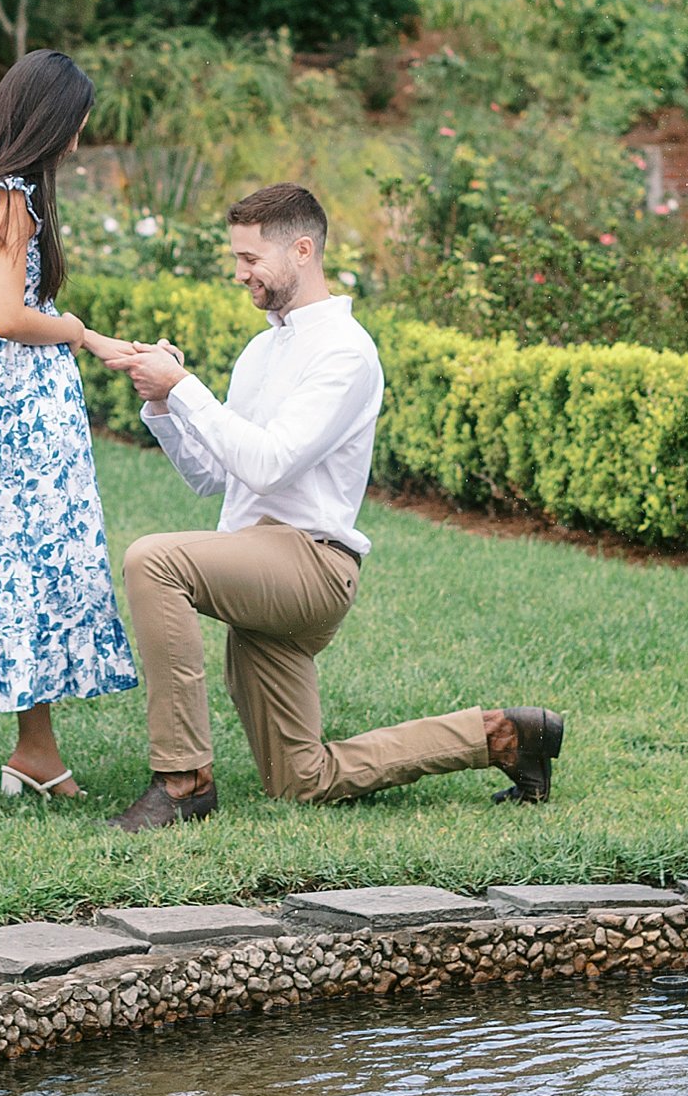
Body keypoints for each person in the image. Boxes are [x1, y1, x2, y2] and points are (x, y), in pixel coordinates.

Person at [108, 182, 565, 831]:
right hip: (258, 572)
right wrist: (162, 404)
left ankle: (182, 781)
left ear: (301, 250)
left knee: (153, 561)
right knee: (301, 780)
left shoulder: (345, 352)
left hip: (309, 567)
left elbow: (269, 462)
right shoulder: (262, 349)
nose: (239, 274)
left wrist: (184, 387)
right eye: (235, 259)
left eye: (249, 259)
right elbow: (216, 476)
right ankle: (505, 736)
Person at [0, 50, 141, 815]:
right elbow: (9, 317)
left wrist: (93, 341)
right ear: (46, 119)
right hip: (13, 421)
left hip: (2, 409)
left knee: (36, 569)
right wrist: (75, 328)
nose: (78, 139)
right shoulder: (6, 198)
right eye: (74, 122)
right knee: (5, 571)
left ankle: (35, 752)